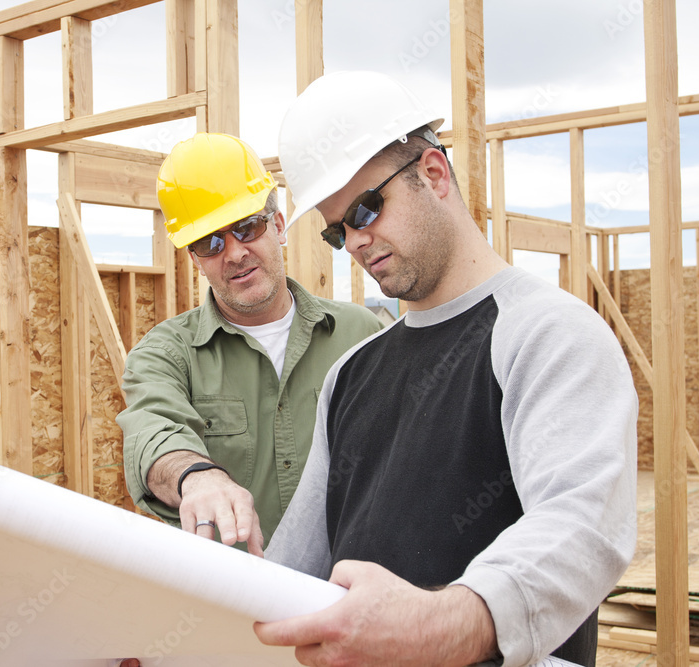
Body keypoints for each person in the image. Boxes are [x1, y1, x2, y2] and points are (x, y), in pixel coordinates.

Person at [256, 71, 638, 666]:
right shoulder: (351, 375)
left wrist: (441, 624)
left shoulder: (545, 333)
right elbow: (292, 573)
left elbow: (581, 526)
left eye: (366, 208)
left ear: (433, 174)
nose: (355, 241)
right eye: (337, 230)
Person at [117, 132, 384, 556]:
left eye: (247, 227)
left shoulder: (360, 334)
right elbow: (154, 433)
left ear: (278, 226)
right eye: (210, 242)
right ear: (195, 258)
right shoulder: (165, 355)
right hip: (233, 601)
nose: (235, 253)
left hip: (349, 593)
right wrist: (197, 476)